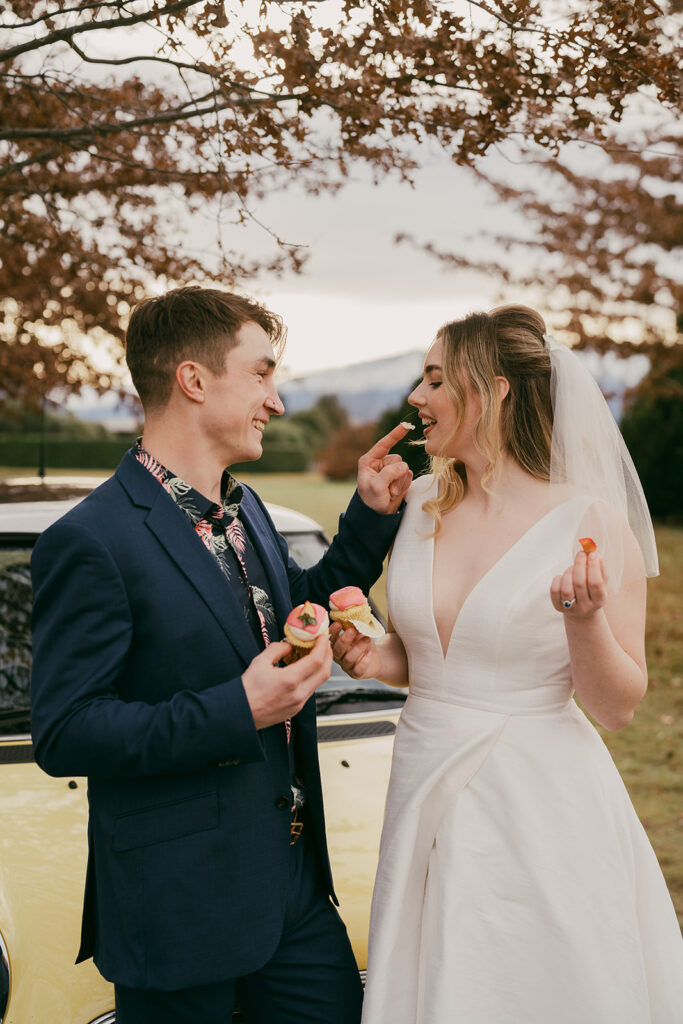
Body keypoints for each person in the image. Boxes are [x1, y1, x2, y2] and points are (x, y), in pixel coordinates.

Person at [30, 286, 413, 1024]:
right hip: (176, 909)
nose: (275, 400)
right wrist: (236, 710)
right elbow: (66, 730)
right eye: (261, 374)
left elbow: (297, 610)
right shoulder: (91, 539)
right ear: (194, 380)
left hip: (293, 893)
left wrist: (369, 518)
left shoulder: (248, 510)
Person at [331, 305, 683, 1023]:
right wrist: (375, 657)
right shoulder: (422, 502)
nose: (416, 399)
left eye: (434, 379)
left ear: (493, 392)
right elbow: (430, 655)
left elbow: (617, 707)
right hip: (421, 772)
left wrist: (582, 622)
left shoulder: (590, 520)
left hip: (534, 802)